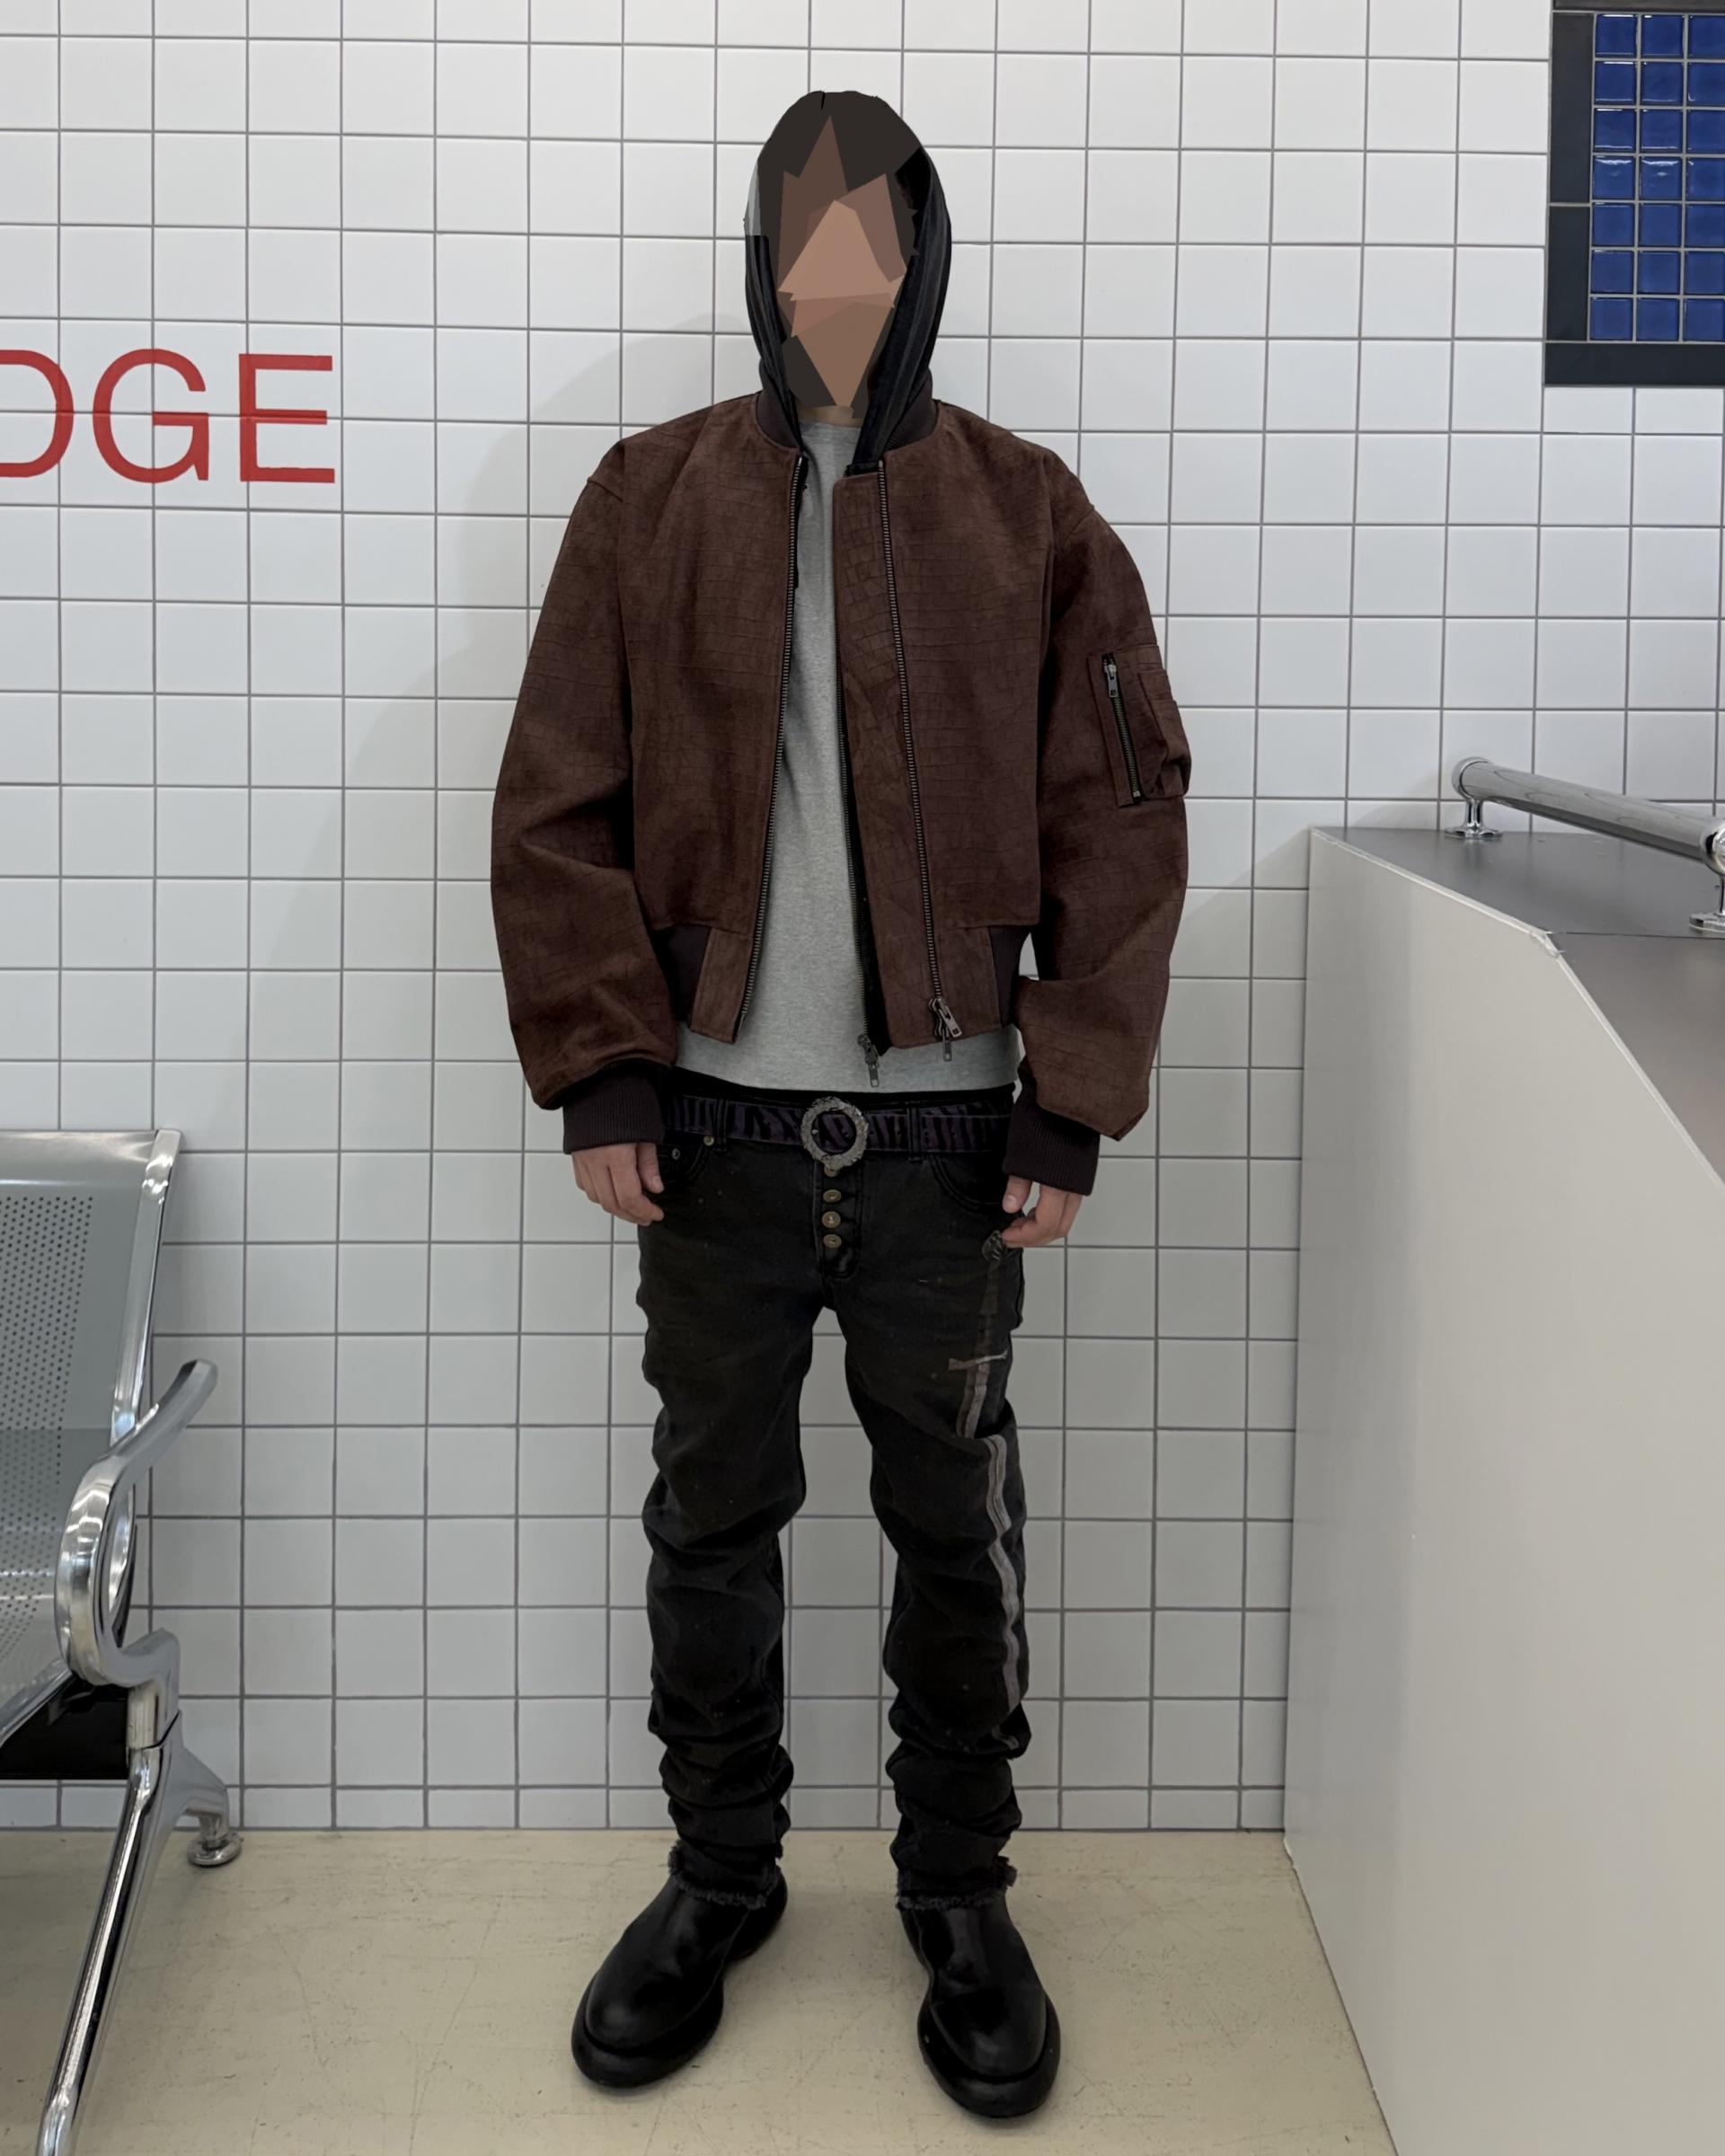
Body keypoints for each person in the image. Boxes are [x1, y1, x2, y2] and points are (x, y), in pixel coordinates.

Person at [491, 88, 1189, 2120]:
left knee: (954, 1530)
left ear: (926, 263)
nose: (836, 289)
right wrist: (604, 1068)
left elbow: (1121, 814)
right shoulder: (647, 498)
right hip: (709, 1138)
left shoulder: (1029, 513)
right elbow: (556, 798)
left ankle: (959, 1896)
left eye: (872, 248)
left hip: (949, 1153)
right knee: (710, 1520)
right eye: (805, 250)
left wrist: (1066, 1102)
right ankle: (721, 1877)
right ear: (761, 266)